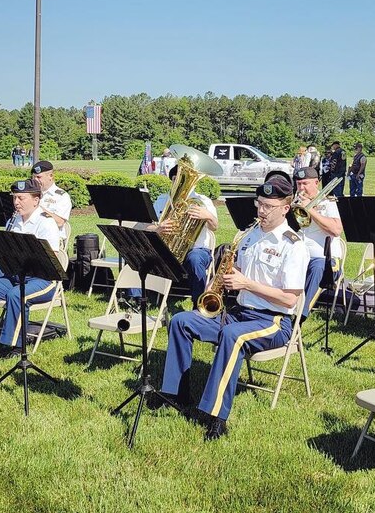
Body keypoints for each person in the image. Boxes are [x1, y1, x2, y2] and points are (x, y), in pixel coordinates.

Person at [151, 177, 308, 441]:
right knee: (180, 321)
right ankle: (176, 393)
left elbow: (289, 299)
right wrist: (226, 275)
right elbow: (240, 274)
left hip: (273, 321)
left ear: (286, 207)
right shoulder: (249, 235)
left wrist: (247, 283)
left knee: (232, 336)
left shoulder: (293, 245)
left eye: (269, 206)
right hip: (239, 312)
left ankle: (216, 416)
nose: (261, 211)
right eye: (260, 204)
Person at [0, 180, 62, 354]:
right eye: (15, 198)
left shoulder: (46, 223)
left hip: (43, 279)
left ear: (36, 200)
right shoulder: (13, 220)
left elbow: (51, 259)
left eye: (21, 198)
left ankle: (16, 345)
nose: (16, 202)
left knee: (17, 295)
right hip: (15, 275)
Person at [129, 163, 218, 308]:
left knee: (194, 259)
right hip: (166, 249)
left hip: (197, 249)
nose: (181, 183)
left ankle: (199, 303)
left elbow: (214, 227)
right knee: (138, 253)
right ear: (172, 180)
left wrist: (208, 216)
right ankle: (136, 299)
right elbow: (142, 226)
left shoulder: (203, 201)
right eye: (177, 179)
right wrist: (158, 228)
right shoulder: (162, 200)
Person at [292, 166, 344, 318]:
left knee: (317, 266)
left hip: (326, 260)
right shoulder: (295, 203)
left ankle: (300, 315)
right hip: (300, 255)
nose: (301, 188)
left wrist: (310, 209)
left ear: (316, 183)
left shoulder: (328, 203)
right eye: (299, 184)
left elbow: (336, 230)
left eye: (305, 184)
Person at [30, 160, 73, 246]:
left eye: (39, 177)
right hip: (31, 238)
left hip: (51, 241)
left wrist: (37, 207)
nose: (35, 180)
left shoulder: (61, 196)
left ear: (50, 176)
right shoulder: (29, 195)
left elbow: (60, 222)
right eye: (33, 177)